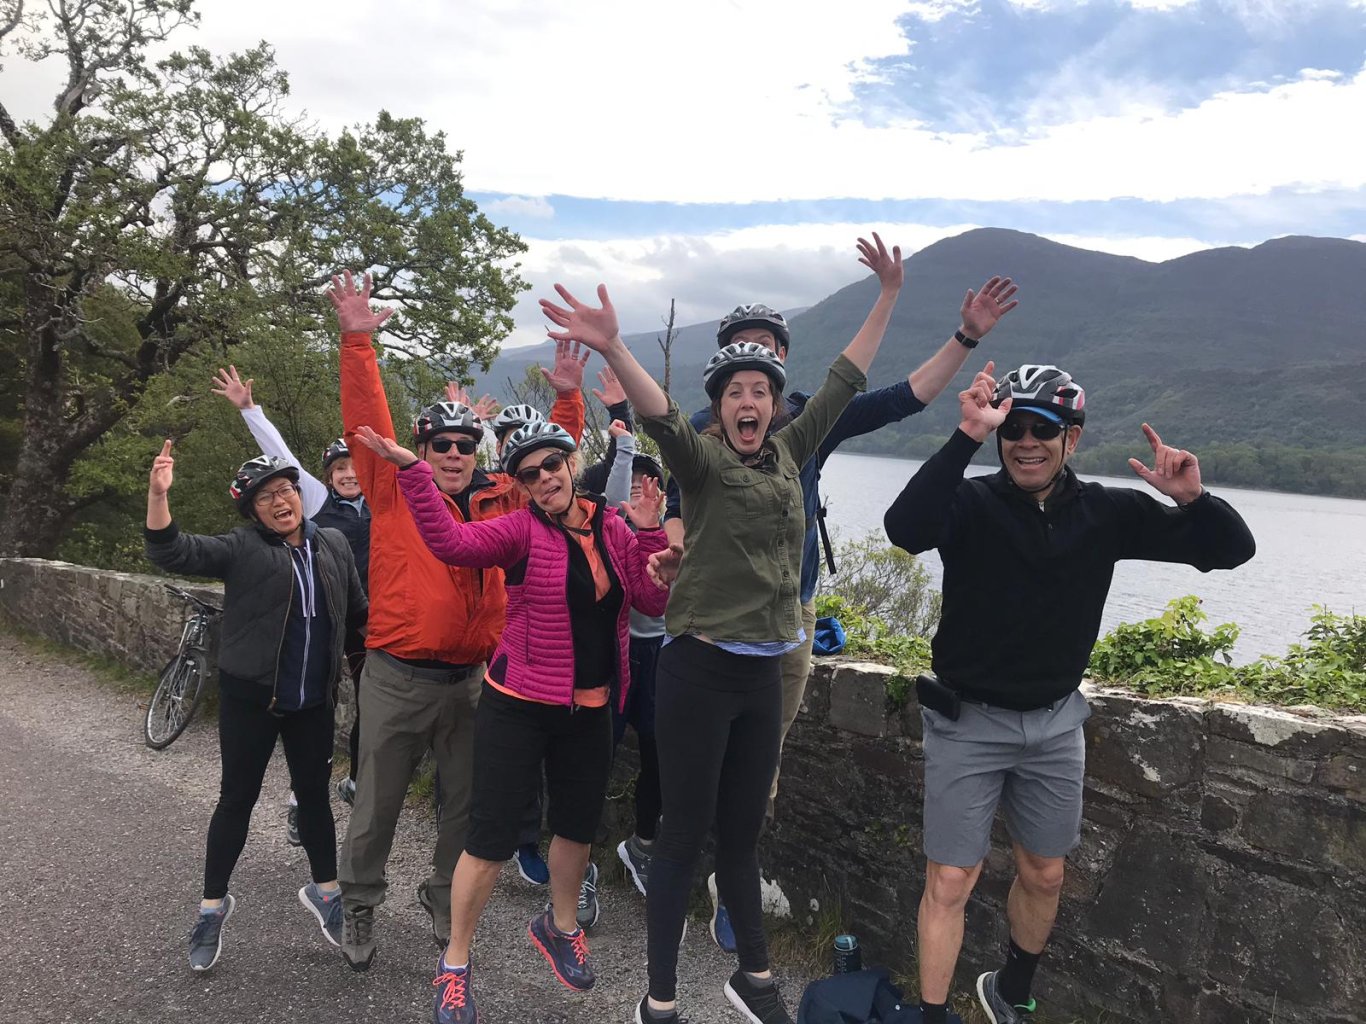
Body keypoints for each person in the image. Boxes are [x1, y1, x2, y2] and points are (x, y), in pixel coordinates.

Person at [540, 233, 904, 1024]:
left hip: (763, 675)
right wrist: (611, 345)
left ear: (775, 404)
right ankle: (660, 997)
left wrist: (885, 296)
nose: (749, 401)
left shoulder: (791, 449)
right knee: (681, 838)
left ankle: (754, 979)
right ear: (724, 402)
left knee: (741, 838)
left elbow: (847, 379)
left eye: (761, 390)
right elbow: (659, 413)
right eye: (736, 389)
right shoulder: (700, 461)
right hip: (700, 671)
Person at [883, 363, 1256, 1024]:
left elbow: (1229, 552)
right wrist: (966, 435)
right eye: (1013, 429)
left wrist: (1193, 500)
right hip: (968, 720)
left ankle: (1010, 990)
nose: (1026, 442)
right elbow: (906, 529)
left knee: (1046, 874)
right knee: (950, 880)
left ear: (1072, 439)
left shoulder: (1106, 513)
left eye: (1044, 430)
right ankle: (932, 1014)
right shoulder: (970, 503)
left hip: (1055, 724)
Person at [660, 278, 1019, 948]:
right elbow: (677, 512)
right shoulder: (700, 436)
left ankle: (730, 891)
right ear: (722, 375)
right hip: (706, 631)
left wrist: (966, 336)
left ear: (781, 362)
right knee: (693, 765)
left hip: (785, 624)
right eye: (739, 353)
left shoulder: (807, 421)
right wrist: (676, 553)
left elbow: (904, 398)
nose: (751, 368)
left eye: (764, 349)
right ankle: (674, 868)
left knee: (759, 764)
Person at [352, 419, 670, 1024]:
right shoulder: (519, 531)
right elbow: (451, 543)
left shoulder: (614, 527)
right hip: (519, 703)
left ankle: (559, 925)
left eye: (553, 464)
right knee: (492, 837)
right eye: (530, 473)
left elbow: (653, 601)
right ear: (520, 485)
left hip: (592, 707)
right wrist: (414, 472)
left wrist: (652, 532)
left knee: (576, 828)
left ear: (573, 465)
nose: (545, 477)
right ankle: (455, 963)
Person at [327, 270, 588, 969]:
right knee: (377, 803)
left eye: (464, 446)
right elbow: (367, 422)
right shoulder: (390, 488)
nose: (451, 455)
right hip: (397, 674)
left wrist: (568, 396)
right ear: (423, 447)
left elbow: (551, 466)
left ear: (479, 454)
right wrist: (358, 341)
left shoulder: (505, 503)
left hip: (476, 682)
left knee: (468, 809)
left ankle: (445, 901)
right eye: (440, 444)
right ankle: (357, 904)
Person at [144, 445, 368, 972]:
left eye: (286, 489)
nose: (280, 500)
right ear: (252, 511)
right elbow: (171, 551)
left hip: (313, 699)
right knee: (236, 800)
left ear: (300, 493)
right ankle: (211, 907)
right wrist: (158, 496)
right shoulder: (241, 548)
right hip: (252, 699)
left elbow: (360, 613)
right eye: (265, 497)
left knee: (314, 799)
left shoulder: (331, 542)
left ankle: (327, 893)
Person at [211, 366, 372, 817]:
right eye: (340, 468)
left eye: (355, 466)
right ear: (327, 475)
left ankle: (356, 779)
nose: (348, 474)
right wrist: (249, 411)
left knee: (372, 706)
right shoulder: (317, 501)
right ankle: (304, 799)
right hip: (320, 620)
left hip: (369, 618)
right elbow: (282, 458)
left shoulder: (382, 503)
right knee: (311, 705)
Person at [601, 420, 669, 897]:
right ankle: (579, 858)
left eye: (654, 486)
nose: (643, 495)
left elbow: (659, 600)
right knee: (593, 757)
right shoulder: (607, 531)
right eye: (635, 486)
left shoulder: (671, 535)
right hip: (613, 653)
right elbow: (608, 502)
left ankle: (642, 845)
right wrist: (623, 448)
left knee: (659, 756)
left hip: (661, 656)